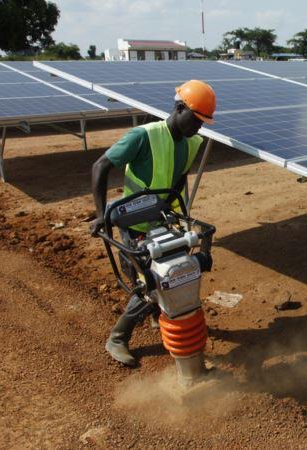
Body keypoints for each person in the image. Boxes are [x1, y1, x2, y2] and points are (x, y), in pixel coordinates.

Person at [89, 80, 216, 366]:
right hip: (134, 225)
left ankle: (162, 316)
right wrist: (101, 216)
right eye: (196, 120)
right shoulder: (143, 136)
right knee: (151, 284)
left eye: (203, 123)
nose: (198, 128)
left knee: (174, 275)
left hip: (164, 222)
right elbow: (100, 167)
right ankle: (118, 338)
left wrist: (177, 212)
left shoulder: (193, 143)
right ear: (179, 108)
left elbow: (179, 177)